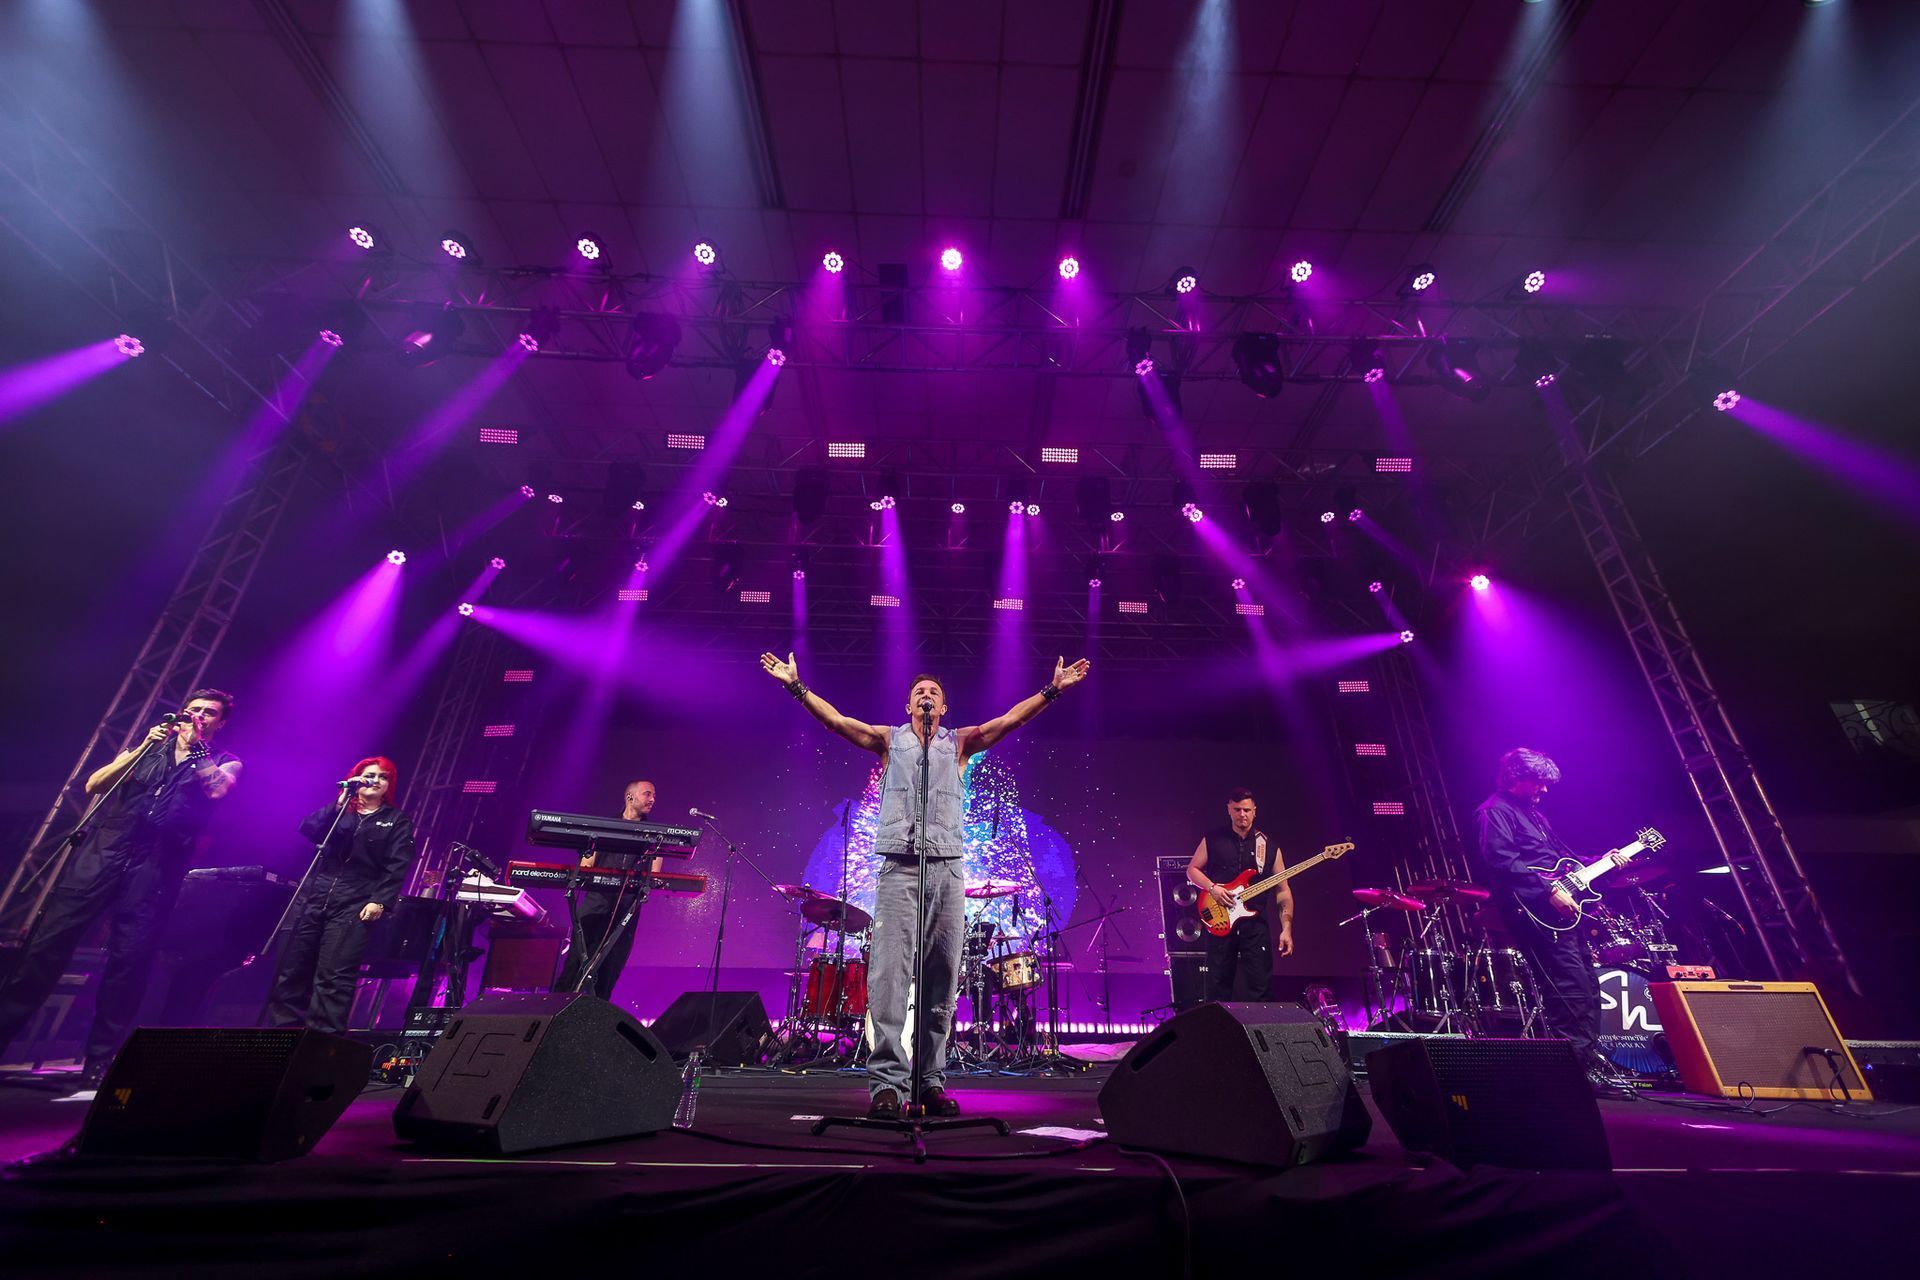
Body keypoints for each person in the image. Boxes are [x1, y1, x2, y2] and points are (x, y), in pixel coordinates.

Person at [760, 652, 1090, 1120]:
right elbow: (836, 721)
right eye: (919, 692)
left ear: (944, 706)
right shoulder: (888, 740)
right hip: (898, 868)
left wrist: (1052, 689)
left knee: (942, 981)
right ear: (908, 704)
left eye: (934, 692)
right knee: (889, 979)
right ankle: (888, 1087)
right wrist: (796, 687)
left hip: (947, 870)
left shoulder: (959, 744)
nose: (926, 696)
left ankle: (931, 1081)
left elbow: (1010, 721)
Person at [0, 689, 242, 1086]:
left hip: (156, 867)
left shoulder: (225, 762)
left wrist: (197, 750)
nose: (198, 716)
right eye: (193, 710)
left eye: (208, 713)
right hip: (102, 854)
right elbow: (94, 784)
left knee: (128, 963)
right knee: (44, 949)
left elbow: (217, 790)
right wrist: (144, 745)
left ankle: (99, 1060)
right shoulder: (147, 748)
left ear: (220, 722)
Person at [1472, 748, 1627, 1093]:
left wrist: (1600, 861)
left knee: (1586, 984)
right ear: (1516, 779)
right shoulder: (1494, 812)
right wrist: (1547, 892)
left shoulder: (1535, 816)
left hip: (1559, 913)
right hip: (1534, 912)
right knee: (1568, 989)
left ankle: (1585, 1063)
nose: (1544, 790)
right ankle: (1571, 1075)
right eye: (1538, 783)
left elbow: (1560, 862)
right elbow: (1501, 861)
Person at [265, 756, 416, 1035]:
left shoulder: (396, 821)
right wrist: (339, 802)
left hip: (355, 902)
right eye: (370, 775)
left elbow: (398, 864)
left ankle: (322, 1045)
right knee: (291, 972)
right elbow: (308, 829)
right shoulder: (340, 813)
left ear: (389, 786)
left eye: (383, 777)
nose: (375, 780)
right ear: (356, 780)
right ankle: (282, 1039)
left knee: (333, 977)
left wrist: (380, 900)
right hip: (314, 895)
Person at [553, 779, 660, 1001]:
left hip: (626, 912)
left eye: (654, 796)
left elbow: (656, 875)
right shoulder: (603, 827)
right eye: (647, 794)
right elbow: (586, 867)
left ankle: (593, 1027)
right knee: (573, 968)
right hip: (595, 905)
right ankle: (552, 1017)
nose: (652, 799)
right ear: (630, 797)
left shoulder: (656, 835)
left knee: (608, 976)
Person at [1185, 787, 1294, 1001]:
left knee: (1260, 985)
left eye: (1246, 810)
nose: (1241, 814)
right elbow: (1192, 871)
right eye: (1237, 809)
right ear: (1229, 810)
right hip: (1221, 922)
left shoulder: (1269, 847)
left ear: (1255, 811)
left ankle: (1258, 1033)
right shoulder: (1213, 839)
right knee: (1217, 985)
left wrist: (1287, 929)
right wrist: (1212, 888)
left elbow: (1283, 890)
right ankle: (1218, 1031)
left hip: (1255, 926)